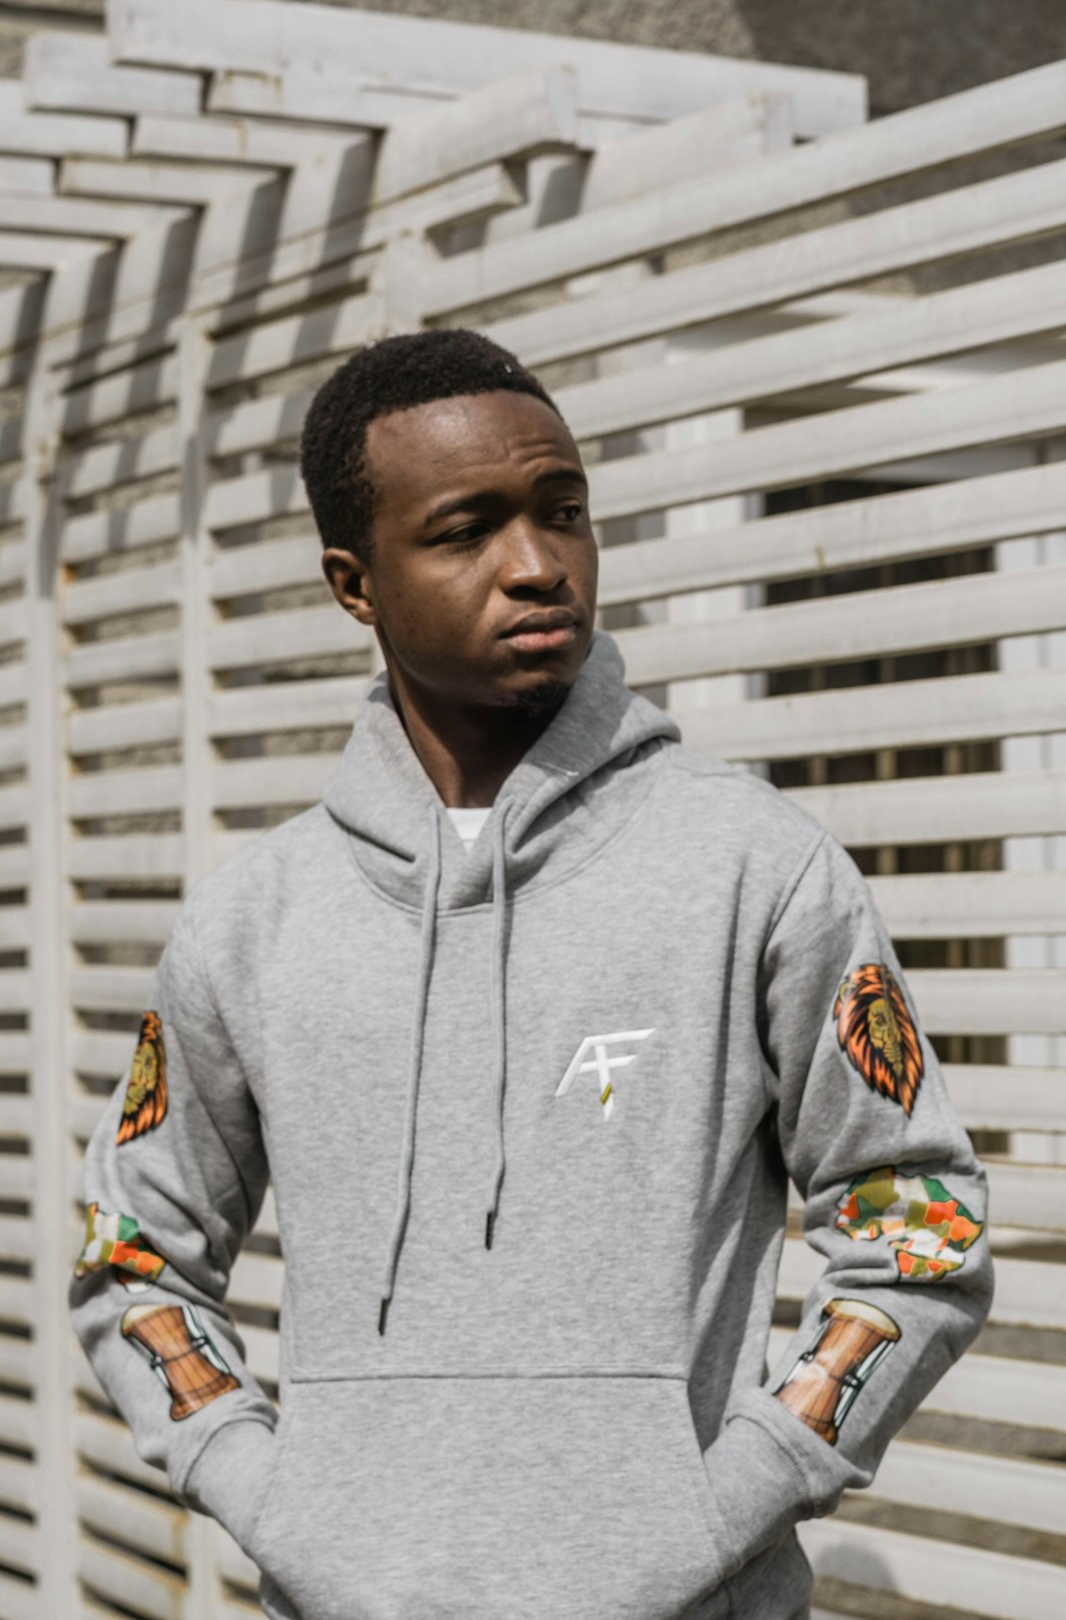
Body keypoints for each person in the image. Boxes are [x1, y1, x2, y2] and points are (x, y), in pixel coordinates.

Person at [71, 328, 992, 1620]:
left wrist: (718, 1502)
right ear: (356, 582)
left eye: (565, 513)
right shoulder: (253, 922)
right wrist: (277, 1500)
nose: (538, 565)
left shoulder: (755, 869)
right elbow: (134, 1258)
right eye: (467, 530)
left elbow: (919, 1225)